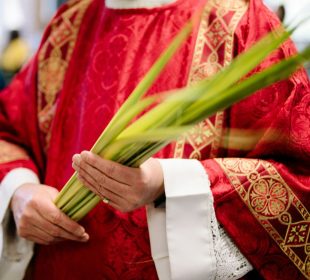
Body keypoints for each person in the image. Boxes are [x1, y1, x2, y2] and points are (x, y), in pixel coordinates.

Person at [0, 0, 309, 279]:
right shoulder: (69, 24)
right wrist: (19, 192)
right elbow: (8, 131)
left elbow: (301, 180)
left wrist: (167, 183)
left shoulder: (241, 23)